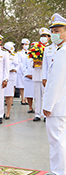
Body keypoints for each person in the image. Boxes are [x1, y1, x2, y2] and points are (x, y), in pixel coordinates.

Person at [43, 13, 66, 175]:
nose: (54, 35)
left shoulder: (62, 52)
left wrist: (47, 105)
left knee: (56, 140)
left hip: (58, 105)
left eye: (57, 31)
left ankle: (58, 171)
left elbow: (56, 82)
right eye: (53, 31)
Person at [33, 28, 50, 122]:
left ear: (49, 38)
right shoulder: (35, 47)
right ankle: (37, 114)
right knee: (37, 96)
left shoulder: (50, 48)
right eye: (42, 36)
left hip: (46, 76)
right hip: (36, 74)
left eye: (45, 36)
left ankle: (45, 114)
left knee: (45, 95)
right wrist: (34, 62)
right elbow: (29, 60)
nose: (43, 38)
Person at [3, 42, 18, 119]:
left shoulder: (13, 56)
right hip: (2, 77)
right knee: (0, 96)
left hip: (10, 76)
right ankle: (1, 112)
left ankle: (8, 112)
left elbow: (17, 65)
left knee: (9, 95)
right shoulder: (1, 54)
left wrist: (15, 69)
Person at [22, 40, 35, 113]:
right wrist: (27, 74)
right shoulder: (27, 56)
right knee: (29, 93)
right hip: (28, 77)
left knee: (36, 94)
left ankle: (37, 108)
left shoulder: (39, 56)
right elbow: (23, 66)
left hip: (35, 76)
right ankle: (30, 107)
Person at [16, 39, 30, 105]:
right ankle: (22, 99)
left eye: (27, 44)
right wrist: (23, 70)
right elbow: (19, 62)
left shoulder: (30, 52)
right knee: (22, 86)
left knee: (27, 86)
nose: (26, 46)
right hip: (21, 71)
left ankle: (26, 99)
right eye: (25, 44)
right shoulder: (19, 53)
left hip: (27, 71)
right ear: (22, 45)